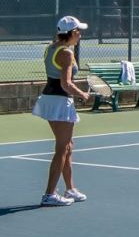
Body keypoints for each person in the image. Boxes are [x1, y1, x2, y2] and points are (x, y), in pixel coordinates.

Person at [35, 16, 91, 207]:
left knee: (68, 146)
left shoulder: (50, 48)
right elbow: (66, 83)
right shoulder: (66, 53)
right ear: (72, 33)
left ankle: (70, 188)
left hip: (50, 100)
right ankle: (49, 194)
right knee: (62, 149)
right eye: (78, 31)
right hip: (59, 101)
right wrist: (82, 94)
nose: (80, 34)